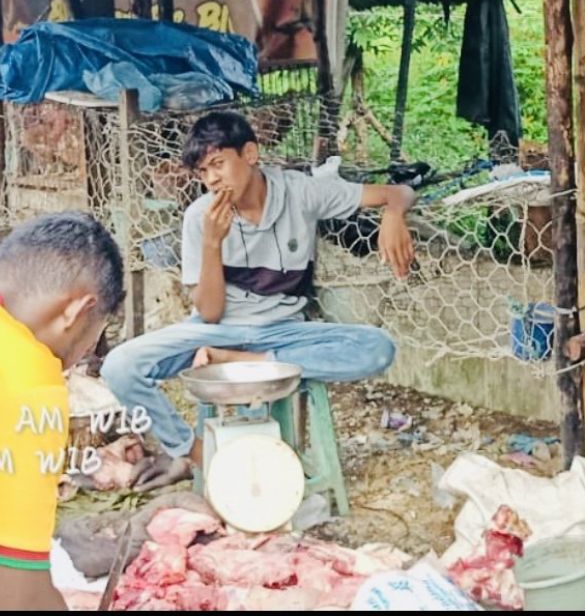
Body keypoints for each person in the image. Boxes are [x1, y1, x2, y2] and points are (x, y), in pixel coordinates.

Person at [102, 111, 416, 491]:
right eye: (203, 172)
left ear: (249, 153)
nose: (212, 179)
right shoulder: (199, 217)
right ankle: (193, 453)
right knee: (119, 367)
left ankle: (246, 362)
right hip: (214, 333)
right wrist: (212, 243)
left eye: (218, 164)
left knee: (378, 347)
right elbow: (211, 312)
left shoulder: (301, 192)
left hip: (285, 333)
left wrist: (394, 214)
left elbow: (397, 192)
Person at [0, 213, 124, 610]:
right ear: (77, 311)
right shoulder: (30, 381)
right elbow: (18, 597)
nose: (86, 351)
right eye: (95, 334)